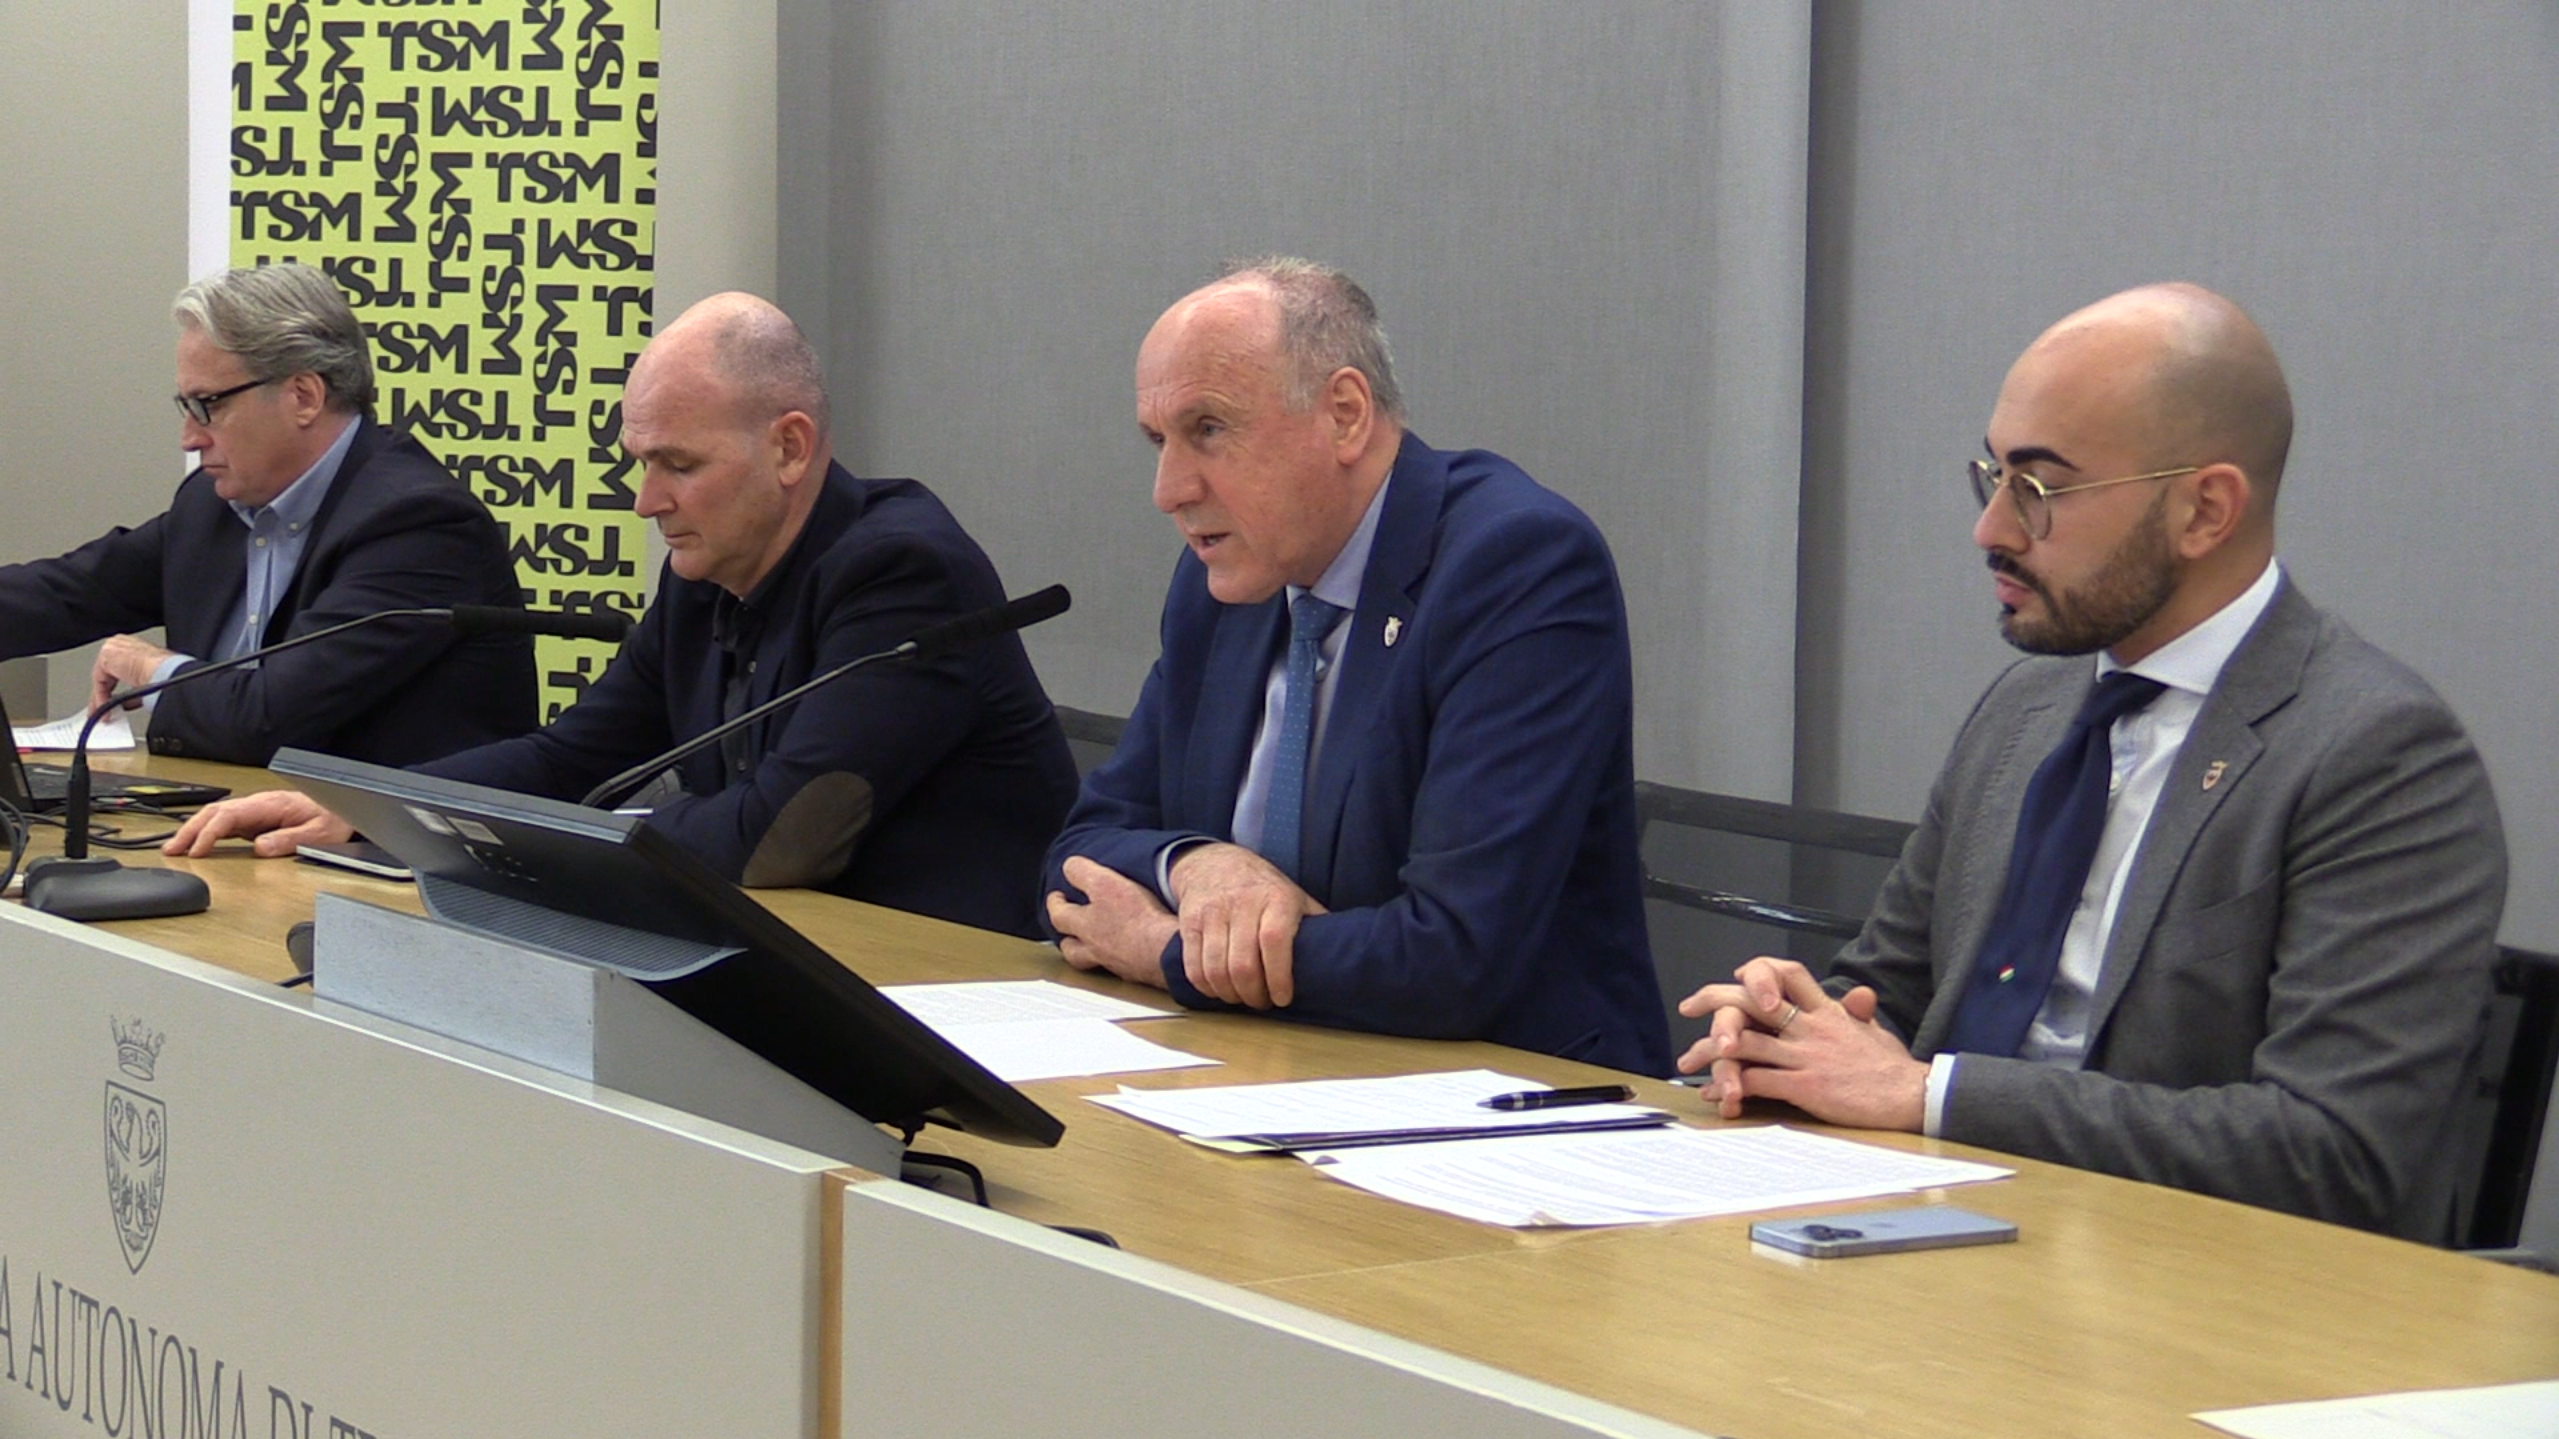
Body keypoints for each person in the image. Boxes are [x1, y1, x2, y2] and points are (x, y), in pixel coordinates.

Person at [1678, 283, 2505, 1238]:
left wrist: (1929, 1095)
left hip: (2185, 1281)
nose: (1990, 529)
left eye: (2038, 490)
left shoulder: (2376, 753)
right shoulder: (2025, 709)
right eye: (1991, 476)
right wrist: (1785, 1031)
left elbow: (2331, 1150)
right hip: (1930, 1234)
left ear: (2203, 511)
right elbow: (1885, 995)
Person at [169, 293, 1081, 939]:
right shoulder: (704, 571)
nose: (647, 502)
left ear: (789, 447)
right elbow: (573, 756)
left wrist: (545, 846)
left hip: (950, 979)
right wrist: (367, 803)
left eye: (678, 465)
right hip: (792, 948)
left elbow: (780, 835)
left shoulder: (903, 571)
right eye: (640, 462)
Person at [1043, 259, 1669, 1074]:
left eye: (1209, 429)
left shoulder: (1516, 564)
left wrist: (1168, 950)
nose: (1169, 489)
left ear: (1343, 414)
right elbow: (1076, 860)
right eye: (1159, 441)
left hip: (1506, 1095)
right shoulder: (1225, 581)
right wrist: (1198, 864)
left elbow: (1452, 955)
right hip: (1261, 1069)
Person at [0, 263, 535, 765]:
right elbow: (69, 593)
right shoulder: (212, 504)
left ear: (303, 396)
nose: (189, 437)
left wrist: (149, 668)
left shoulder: (418, 524)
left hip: (374, 832)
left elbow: (266, 718)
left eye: (208, 405)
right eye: (185, 406)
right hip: (225, 806)